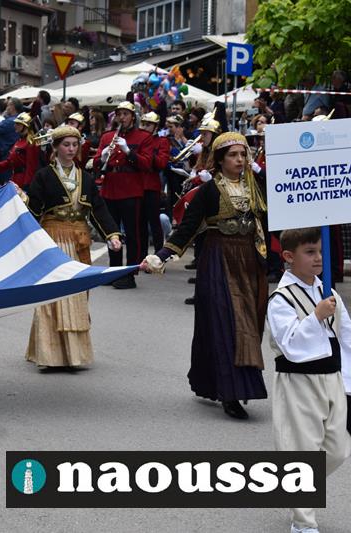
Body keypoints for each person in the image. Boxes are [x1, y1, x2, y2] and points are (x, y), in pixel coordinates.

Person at [142, 132, 269, 420]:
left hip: (249, 261)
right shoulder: (209, 191)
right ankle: (230, 393)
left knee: (247, 323)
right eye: (233, 155)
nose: (240, 160)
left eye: (243, 154)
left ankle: (231, 384)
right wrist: (161, 255)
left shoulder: (256, 187)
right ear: (220, 160)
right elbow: (187, 228)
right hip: (218, 259)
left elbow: (270, 222)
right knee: (224, 322)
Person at [266, 228, 351, 533]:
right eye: (310, 252)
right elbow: (289, 343)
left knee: (338, 448)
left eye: (320, 251)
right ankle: (303, 523)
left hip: (332, 378)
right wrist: (315, 317)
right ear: (289, 257)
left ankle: (295, 483)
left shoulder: (328, 292)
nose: (318, 258)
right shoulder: (280, 299)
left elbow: (346, 336)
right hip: (299, 381)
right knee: (301, 448)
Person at [20, 125, 122, 371]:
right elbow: (33, 210)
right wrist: (21, 199)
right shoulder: (44, 176)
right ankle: (49, 355)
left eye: (75, 145)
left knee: (76, 294)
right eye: (66, 145)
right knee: (53, 295)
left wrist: (112, 234)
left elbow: (98, 209)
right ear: (55, 148)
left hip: (79, 242)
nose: (71, 149)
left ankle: (75, 355)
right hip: (53, 240)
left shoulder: (85, 178)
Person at [94, 101, 152, 289]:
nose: (122, 117)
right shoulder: (107, 136)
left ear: (133, 117)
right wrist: (103, 157)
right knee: (112, 232)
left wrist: (128, 151)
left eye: (126, 114)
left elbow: (146, 164)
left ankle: (129, 274)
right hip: (110, 187)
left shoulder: (143, 137)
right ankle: (114, 271)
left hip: (131, 189)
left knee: (132, 234)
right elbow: (96, 163)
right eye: (119, 114)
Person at [138, 112, 169, 254]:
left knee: (154, 222)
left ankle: (158, 255)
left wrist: (148, 152)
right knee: (140, 223)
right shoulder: (138, 139)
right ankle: (141, 255)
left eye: (148, 125)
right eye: (143, 124)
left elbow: (162, 163)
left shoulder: (162, 141)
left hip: (151, 186)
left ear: (156, 127)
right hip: (137, 185)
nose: (144, 127)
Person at [0, 112, 41, 191]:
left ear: (25, 126)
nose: (14, 126)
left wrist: (27, 185)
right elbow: (9, 162)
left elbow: (31, 167)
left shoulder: (30, 143)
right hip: (15, 179)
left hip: (23, 181)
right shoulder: (19, 141)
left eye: (18, 124)